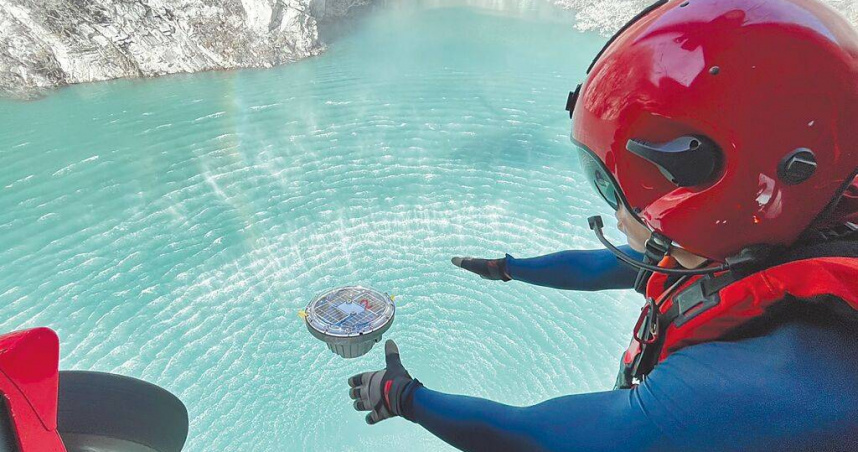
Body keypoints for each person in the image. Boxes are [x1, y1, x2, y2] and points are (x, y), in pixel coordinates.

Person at [346, 0, 858, 450]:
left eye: (620, 193)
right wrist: (508, 268)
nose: (619, 214)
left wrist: (404, 397)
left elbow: (536, 439)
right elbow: (615, 266)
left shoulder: (777, 384)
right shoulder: (765, 239)